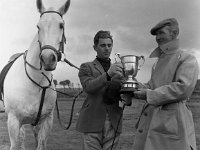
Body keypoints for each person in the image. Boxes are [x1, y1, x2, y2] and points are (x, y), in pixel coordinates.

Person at [122, 18, 199, 150]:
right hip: (151, 120)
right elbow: (153, 88)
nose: (157, 37)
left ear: (174, 33)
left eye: (161, 33)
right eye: (156, 34)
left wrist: (149, 94)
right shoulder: (157, 62)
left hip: (174, 122)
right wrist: (134, 86)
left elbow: (183, 88)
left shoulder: (187, 59)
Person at [76, 30, 124, 150]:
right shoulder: (86, 67)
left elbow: (123, 94)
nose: (107, 48)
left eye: (109, 45)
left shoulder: (120, 69)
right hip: (92, 122)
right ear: (95, 47)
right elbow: (89, 87)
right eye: (102, 45)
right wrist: (108, 74)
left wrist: (127, 95)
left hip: (114, 121)